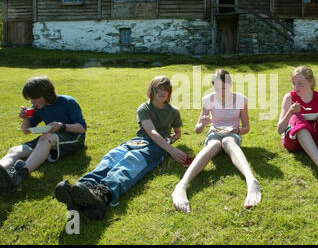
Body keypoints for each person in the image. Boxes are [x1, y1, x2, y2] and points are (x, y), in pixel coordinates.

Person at [54, 76, 188, 220]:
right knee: (112, 157)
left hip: (158, 146)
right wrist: (172, 150)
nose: (163, 92)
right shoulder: (145, 108)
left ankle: (103, 195)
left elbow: (178, 133)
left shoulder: (174, 111)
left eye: (166, 89)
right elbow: (151, 131)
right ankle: (81, 188)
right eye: (159, 88)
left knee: (131, 162)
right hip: (138, 140)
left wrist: (170, 143)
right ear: (152, 90)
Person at [172, 69, 262, 213]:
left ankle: (252, 181)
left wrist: (236, 131)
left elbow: (246, 127)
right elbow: (197, 129)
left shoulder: (240, 99)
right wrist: (203, 123)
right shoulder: (209, 99)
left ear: (231, 84)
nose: (221, 91)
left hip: (232, 134)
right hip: (214, 132)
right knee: (214, 144)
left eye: (224, 87)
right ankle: (182, 185)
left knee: (228, 142)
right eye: (217, 87)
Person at [0, 76, 87, 195]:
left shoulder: (68, 102)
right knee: (15, 150)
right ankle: (2, 172)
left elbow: (82, 128)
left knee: (45, 137)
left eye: (34, 98)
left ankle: (19, 176)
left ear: (47, 94)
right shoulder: (38, 107)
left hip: (74, 138)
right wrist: (25, 118)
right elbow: (26, 131)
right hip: (50, 138)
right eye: (30, 99)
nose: (32, 102)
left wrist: (62, 126)